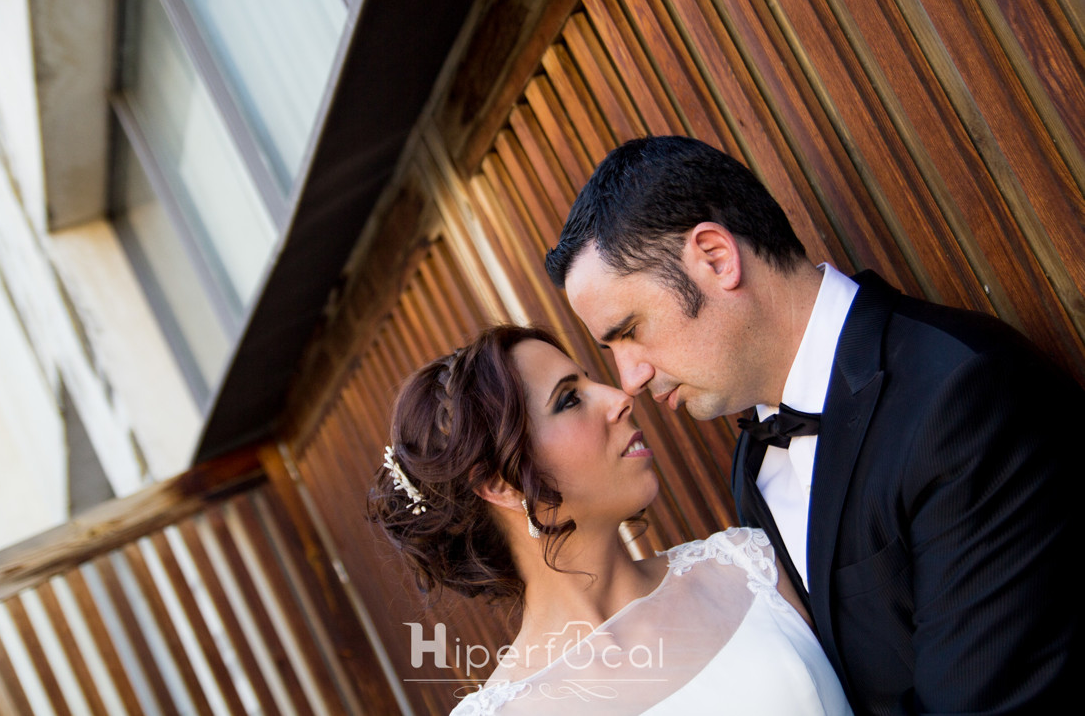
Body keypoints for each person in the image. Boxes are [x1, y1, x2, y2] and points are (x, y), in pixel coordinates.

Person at [544, 135, 1083, 714]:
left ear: (716, 258)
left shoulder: (960, 396)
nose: (630, 378)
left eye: (629, 330)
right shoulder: (753, 461)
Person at [369, 324, 852, 714]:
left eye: (588, 380)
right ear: (499, 484)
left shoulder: (750, 568)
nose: (620, 396)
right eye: (569, 400)